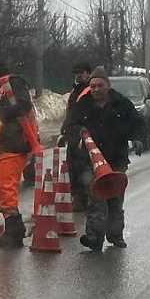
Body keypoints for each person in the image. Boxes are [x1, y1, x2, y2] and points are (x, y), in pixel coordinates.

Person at [66, 66, 146, 252]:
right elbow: (69, 127)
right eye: (92, 86)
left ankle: (115, 235)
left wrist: (138, 139)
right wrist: (78, 134)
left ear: (107, 86)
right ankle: (94, 236)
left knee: (115, 199)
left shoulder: (121, 103)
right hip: (91, 161)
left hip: (116, 158)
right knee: (95, 198)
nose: (95, 90)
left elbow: (138, 123)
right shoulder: (82, 105)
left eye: (99, 86)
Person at [0, 63, 38, 248]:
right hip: (9, 145)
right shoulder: (9, 88)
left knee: (6, 188)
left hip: (14, 146)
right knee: (0, 188)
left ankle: (14, 232)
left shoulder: (12, 83)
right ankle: (14, 228)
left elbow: (22, 106)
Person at [60, 61, 92, 211]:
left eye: (81, 72)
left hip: (83, 136)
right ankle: (78, 198)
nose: (78, 75)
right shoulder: (76, 91)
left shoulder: (90, 90)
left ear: (88, 73)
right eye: (76, 73)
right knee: (72, 168)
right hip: (73, 134)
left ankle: (83, 199)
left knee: (82, 168)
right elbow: (71, 113)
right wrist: (64, 130)